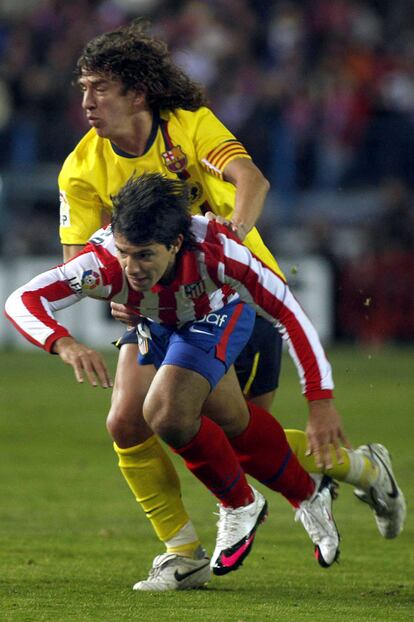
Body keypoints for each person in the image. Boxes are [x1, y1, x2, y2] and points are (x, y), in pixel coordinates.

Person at [56, 19, 347, 589]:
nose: (86, 102)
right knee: (128, 421)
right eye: (83, 89)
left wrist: (232, 234)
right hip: (158, 308)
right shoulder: (81, 168)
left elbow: (251, 181)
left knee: (236, 430)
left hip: (235, 292)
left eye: (99, 88)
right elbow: (77, 261)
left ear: (137, 93)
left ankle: (351, 471)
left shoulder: (188, 130)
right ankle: (183, 549)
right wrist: (108, 289)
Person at [5, 174, 405, 586]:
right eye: (125, 253)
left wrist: (320, 401)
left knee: (167, 413)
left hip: (215, 316)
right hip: (153, 322)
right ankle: (328, 483)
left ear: (175, 244)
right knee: (208, 423)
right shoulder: (103, 264)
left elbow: (290, 313)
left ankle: (240, 504)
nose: (132, 268)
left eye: (144, 256)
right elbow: (21, 300)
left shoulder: (218, 253)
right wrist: (64, 344)